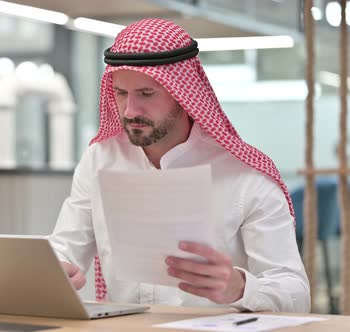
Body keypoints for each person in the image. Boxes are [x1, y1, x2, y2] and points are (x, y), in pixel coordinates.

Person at [49, 18, 309, 313]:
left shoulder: (246, 175)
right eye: (121, 94)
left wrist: (239, 288)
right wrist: (55, 271)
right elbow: (65, 249)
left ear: (185, 94)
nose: (130, 110)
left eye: (147, 94)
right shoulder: (100, 159)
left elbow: (296, 293)